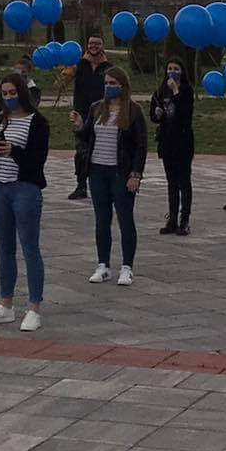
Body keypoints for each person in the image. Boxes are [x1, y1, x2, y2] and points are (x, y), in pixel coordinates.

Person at [0, 72, 49, 331]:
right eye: (4, 94)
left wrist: (14, 151)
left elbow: (36, 161)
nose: (8, 98)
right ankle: (5, 305)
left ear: (22, 92)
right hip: (0, 189)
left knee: (30, 248)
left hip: (25, 190)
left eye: (12, 93)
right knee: (4, 249)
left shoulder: (37, 122)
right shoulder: (2, 121)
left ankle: (34, 308)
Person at [74, 66, 147, 286]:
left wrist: (135, 174)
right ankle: (103, 265)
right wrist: (79, 127)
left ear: (123, 86)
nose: (109, 87)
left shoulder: (133, 111)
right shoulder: (96, 108)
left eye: (113, 84)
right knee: (101, 220)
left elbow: (141, 145)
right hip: (97, 171)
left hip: (121, 172)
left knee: (125, 219)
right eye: (106, 83)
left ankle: (127, 267)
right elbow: (87, 136)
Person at [65, 35, 112, 200]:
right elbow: (60, 83)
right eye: (91, 43)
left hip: (102, 116)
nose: (94, 46)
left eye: (97, 44)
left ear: (102, 46)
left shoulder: (108, 68)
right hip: (81, 115)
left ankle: (104, 186)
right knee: (81, 153)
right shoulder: (78, 65)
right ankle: (81, 186)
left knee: (101, 152)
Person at [151, 59, 195, 236]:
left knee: (184, 181)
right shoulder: (161, 90)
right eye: (169, 68)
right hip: (167, 141)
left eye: (176, 69)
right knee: (171, 182)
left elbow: (185, 114)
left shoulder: (186, 90)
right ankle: (172, 219)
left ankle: (185, 220)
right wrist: (157, 114)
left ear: (182, 71)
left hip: (183, 141)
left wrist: (176, 91)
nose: (172, 72)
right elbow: (154, 111)